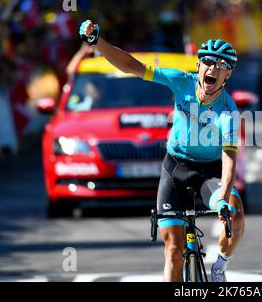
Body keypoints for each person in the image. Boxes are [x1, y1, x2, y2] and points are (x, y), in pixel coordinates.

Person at [79, 20, 245, 282]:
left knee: (235, 217)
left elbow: (229, 158)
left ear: (228, 75)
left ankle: (220, 268)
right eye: (209, 62)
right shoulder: (181, 82)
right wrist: (97, 42)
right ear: (198, 65)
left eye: (221, 65)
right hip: (176, 168)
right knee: (174, 250)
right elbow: (133, 66)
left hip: (211, 173)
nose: (213, 68)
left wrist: (223, 198)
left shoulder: (228, 112)